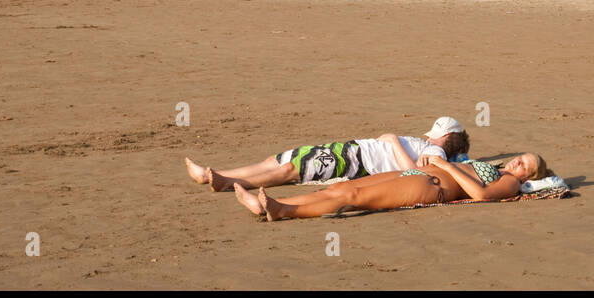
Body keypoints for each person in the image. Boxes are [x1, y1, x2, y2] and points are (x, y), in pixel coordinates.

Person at [235, 152, 551, 220]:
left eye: (524, 166)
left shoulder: (509, 183)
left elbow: (482, 196)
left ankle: (284, 211)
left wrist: (443, 165)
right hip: (419, 175)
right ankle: (268, 203)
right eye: (519, 158)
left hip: (431, 187)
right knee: (346, 187)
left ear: (528, 178)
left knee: (355, 197)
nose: (515, 164)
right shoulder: (499, 169)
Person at [185, 116, 471, 191]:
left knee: (290, 170)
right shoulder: (432, 150)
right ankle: (217, 175)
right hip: (351, 149)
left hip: (356, 160)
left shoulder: (435, 151)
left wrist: (394, 141)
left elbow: (415, 174)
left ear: (445, 136)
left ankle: (226, 181)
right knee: (280, 160)